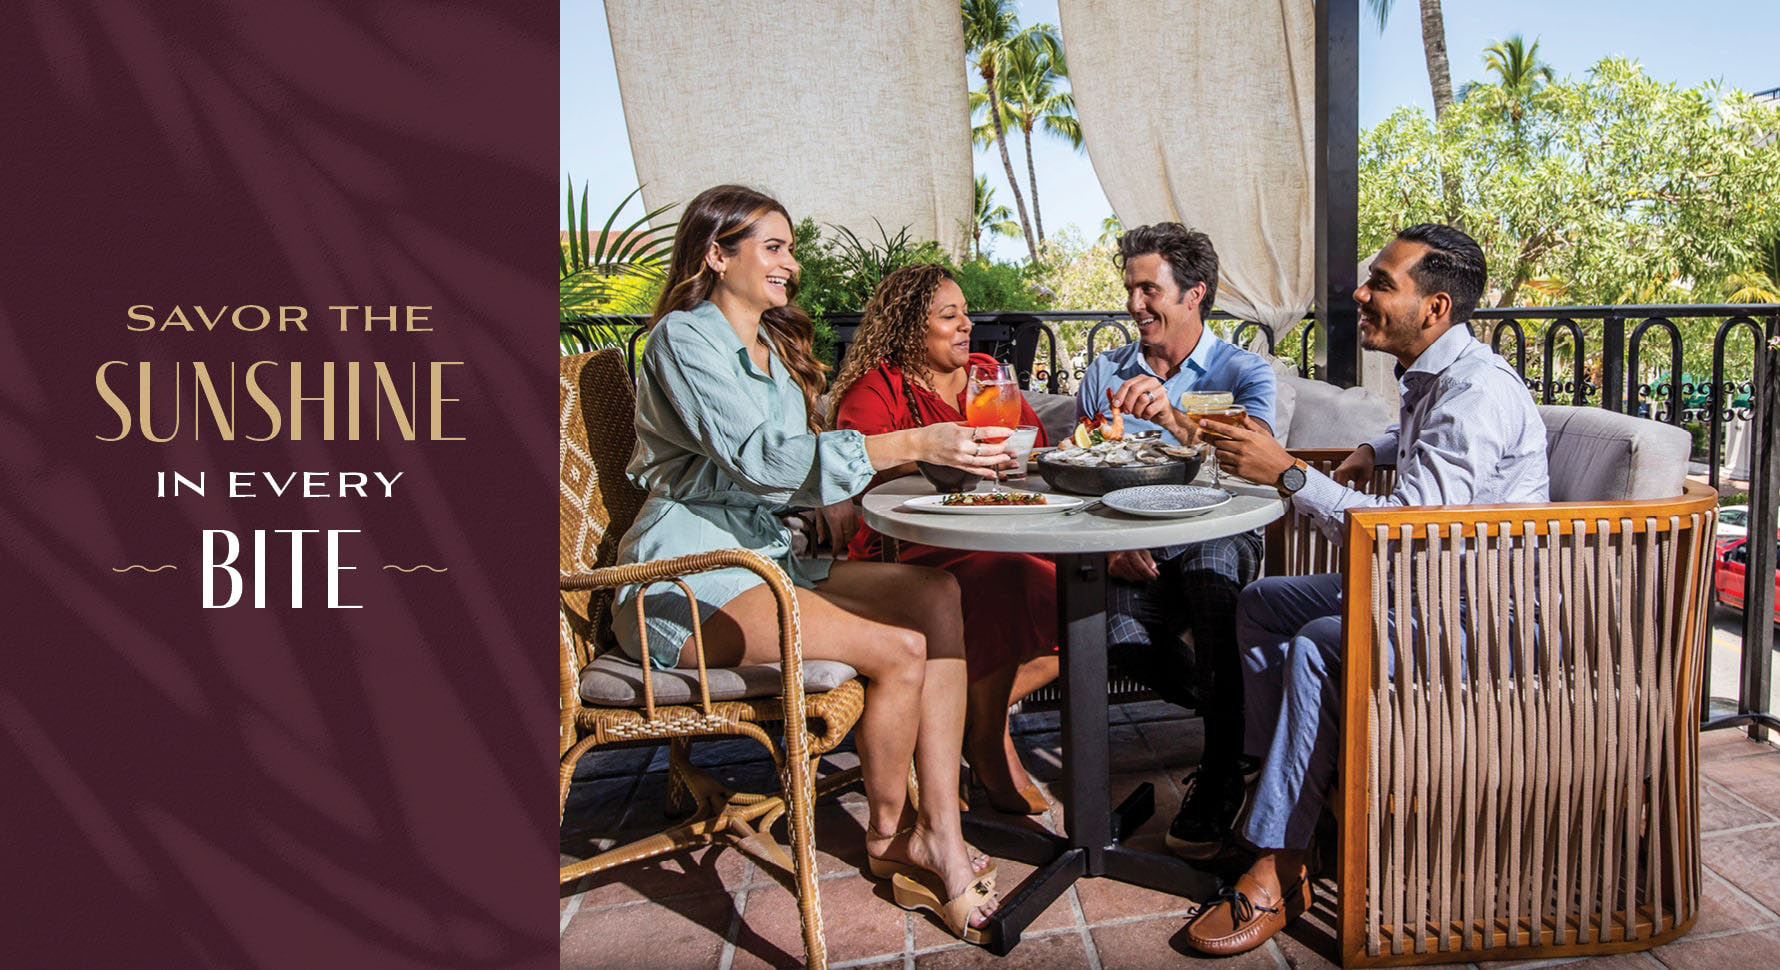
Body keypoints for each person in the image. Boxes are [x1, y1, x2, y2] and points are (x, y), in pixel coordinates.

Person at [612, 185, 1011, 941]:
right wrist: (911, 444)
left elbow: (779, 469)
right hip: (684, 576)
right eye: (774, 247)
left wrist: (824, 498)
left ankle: (941, 824)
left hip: (763, 554)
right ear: (715, 253)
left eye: (790, 248)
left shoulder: (768, 346)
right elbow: (761, 459)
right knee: (899, 649)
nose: (790, 264)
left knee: (938, 594)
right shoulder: (684, 340)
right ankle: (898, 842)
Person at [1182, 223, 1550, 955]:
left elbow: (1409, 529)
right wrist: (1372, 447)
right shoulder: (1436, 376)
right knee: (1261, 602)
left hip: (1484, 611)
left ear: (1436, 307)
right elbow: (1418, 440)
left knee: (1322, 641)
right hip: (1427, 591)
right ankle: (1278, 792)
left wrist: (1291, 473)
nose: (1361, 293)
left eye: (1382, 282)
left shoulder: (1476, 392)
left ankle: (1280, 857)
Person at [1073, 222, 1277, 860]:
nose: (1134, 305)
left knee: (1212, 576)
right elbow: (1083, 467)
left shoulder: (1244, 372)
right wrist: (1108, 544)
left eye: (1148, 289)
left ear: (1195, 294)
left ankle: (1218, 772)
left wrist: (1171, 415)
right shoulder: (1106, 371)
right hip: (1136, 549)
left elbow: (1253, 468)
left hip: (1218, 535)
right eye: (1130, 288)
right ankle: (1247, 729)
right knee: (1123, 643)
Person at [831, 263, 1061, 816]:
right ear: (912, 327)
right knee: (1004, 577)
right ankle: (989, 745)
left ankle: (967, 722)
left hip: (996, 524)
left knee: (1071, 588)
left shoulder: (987, 375)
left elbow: (1036, 443)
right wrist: (925, 451)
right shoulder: (877, 391)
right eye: (948, 316)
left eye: (966, 315)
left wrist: (1014, 457)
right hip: (913, 541)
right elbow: (856, 470)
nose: (965, 327)